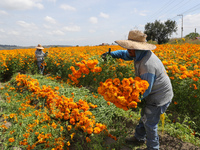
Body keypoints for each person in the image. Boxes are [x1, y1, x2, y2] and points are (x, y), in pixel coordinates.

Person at [102, 30, 173, 150]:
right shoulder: (138, 53)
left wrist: (128, 100)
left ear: (140, 48)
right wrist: (111, 54)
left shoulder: (147, 65)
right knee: (145, 116)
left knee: (150, 123)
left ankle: (153, 148)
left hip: (159, 97)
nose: (129, 50)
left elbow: (145, 90)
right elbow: (124, 54)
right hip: (153, 92)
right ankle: (139, 138)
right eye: (129, 47)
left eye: (131, 48)